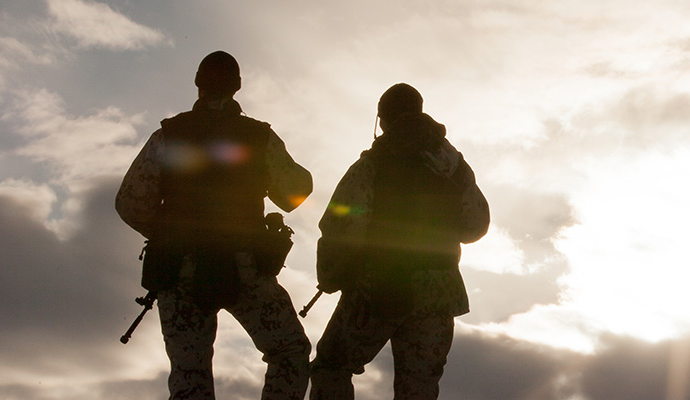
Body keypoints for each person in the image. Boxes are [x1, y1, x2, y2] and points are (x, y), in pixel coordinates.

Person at [115, 50, 313, 400]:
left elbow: (130, 203)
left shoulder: (168, 136)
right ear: (237, 86)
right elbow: (294, 193)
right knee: (289, 351)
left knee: (189, 374)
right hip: (245, 268)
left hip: (180, 271)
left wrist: (169, 233)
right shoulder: (258, 138)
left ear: (198, 84)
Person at [309, 83, 490, 399]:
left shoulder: (371, 165)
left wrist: (331, 277)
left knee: (331, 367)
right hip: (439, 292)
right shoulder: (452, 166)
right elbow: (476, 226)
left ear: (382, 120)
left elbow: (342, 227)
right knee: (419, 387)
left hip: (377, 287)